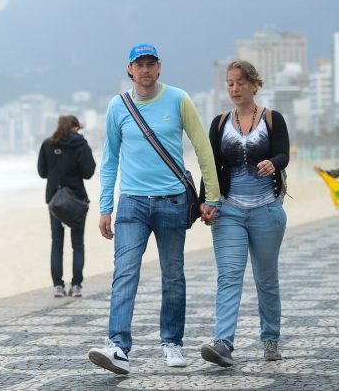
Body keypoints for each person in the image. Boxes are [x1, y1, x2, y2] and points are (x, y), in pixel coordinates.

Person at [87, 43, 220, 374]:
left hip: (173, 202)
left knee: (173, 275)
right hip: (131, 203)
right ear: (129, 70)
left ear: (159, 68)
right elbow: (109, 160)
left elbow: (202, 148)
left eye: (150, 64)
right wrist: (105, 207)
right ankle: (118, 347)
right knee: (125, 273)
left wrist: (212, 197)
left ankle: (172, 342)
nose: (145, 70)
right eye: (138, 64)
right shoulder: (118, 107)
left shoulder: (179, 99)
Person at [199, 59, 289, 367]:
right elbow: (210, 167)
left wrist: (273, 163)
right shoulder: (220, 122)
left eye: (240, 83)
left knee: (266, 277)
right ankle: (223, 343)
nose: (234, 88)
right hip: (229, 211)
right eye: (230, 83)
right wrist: (205, 202)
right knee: (229, 276)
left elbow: (283, 152)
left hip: (267, 210)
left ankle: (271, 339)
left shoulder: (273, 118)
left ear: (254, 84)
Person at [37, 115, 96, 298]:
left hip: (55, 200)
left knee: (57, 244)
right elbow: (88, 172)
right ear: (76, 128)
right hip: (77, 200)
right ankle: (76, 285)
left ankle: (58, 287)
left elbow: (42, 172)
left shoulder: (48, 144)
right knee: (77, 244)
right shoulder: (80, 144)